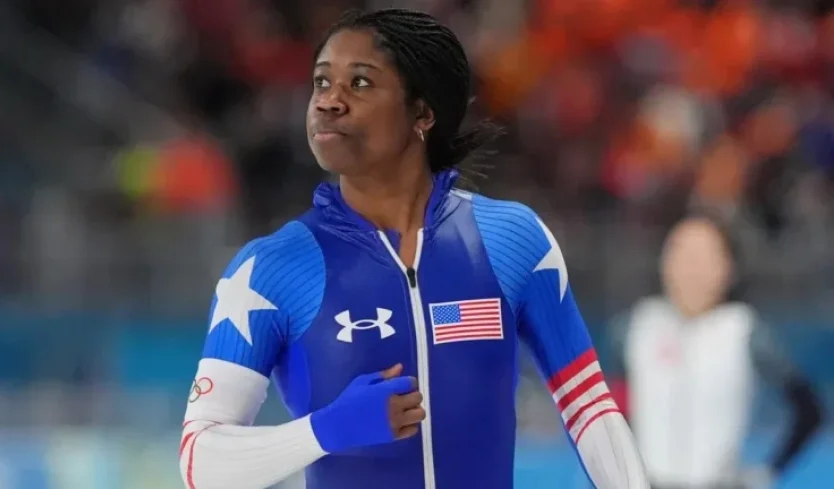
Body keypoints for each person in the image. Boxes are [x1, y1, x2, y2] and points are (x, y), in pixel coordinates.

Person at [180, 8, 649, 489]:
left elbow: (588, 406)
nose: (329, 102)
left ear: (422, 113)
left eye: (359, 83)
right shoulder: (270, 269)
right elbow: (200, 462)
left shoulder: (512, 239)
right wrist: (327, 429)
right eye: (322, 83)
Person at [611, 212, 824, 489]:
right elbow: (609, 417)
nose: (691, 269)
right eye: (681, 254)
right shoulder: (637, 327)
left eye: (704, 257)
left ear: (728, 268)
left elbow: (810, 410)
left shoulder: (743, 331)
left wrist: (769, 472)